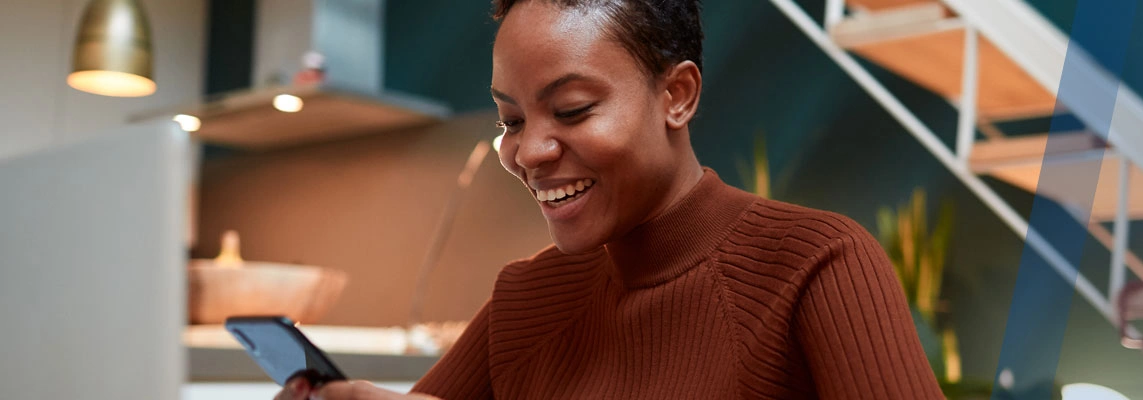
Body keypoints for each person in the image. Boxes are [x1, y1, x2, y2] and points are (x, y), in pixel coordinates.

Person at [278, 0, 943, 398]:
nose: (528, 151)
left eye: (572, 109)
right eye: (511, 120)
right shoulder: (524, 302)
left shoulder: (815, 267)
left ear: (676, 95)